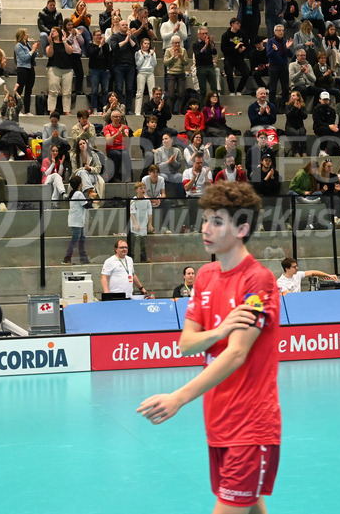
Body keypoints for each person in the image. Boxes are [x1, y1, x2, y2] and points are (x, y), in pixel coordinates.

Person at [138, 181, 280, 514]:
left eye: (217, 221)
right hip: (218, 422)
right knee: (251, 506)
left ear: (242, 228)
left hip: (251, 424)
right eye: (206, 220)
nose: (206, 228)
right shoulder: (204, 276)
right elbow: (186, 343)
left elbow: (237, 353)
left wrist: (178, 397)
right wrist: (221, 329)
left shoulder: (257, 281)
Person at [130, 182, 154, 263]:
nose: (143, 190)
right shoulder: (133, 200)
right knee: (132, 243)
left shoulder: (147, 201)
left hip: (144, 225)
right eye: (141, 188)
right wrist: (135, 224)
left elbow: (150, 213)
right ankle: (131, 258)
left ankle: (143, 259)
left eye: (144, 188)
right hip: (134, 225)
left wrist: (150, 224)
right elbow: (132, 213)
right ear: (136, 190)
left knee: (143, 243)